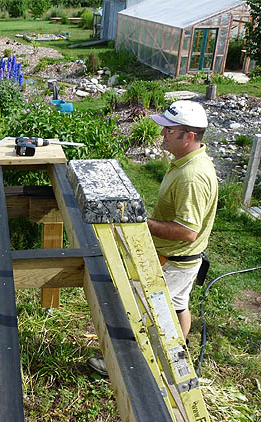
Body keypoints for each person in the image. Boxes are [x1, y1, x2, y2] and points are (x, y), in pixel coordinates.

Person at [88, 100, 218, 377]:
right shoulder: (187, 162)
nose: (162, 135)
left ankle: (129, 367)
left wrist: (139, 222)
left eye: (169, 131)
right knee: (178, 305)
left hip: (176, 260)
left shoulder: (192, 177)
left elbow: (187, 231)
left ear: (189, 136)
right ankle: (176, 352)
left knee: (145, 314)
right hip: (182, 260)